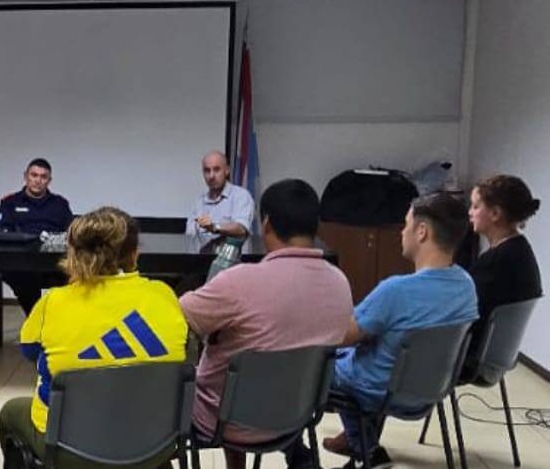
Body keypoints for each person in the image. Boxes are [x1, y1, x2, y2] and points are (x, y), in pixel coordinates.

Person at [179, 179, 353, 469]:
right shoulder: (340, 283)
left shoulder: (239, 282)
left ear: (267, 224)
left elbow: (182, 314)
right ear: (315, 225)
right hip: (296, 416)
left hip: (223, 421)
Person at [0, 207, 188, 469]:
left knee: (10, 414)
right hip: (155, 444)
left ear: (73, 254)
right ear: (134, 253)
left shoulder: (53, 303)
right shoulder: (164, 295)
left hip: (71, 450)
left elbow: (29, 351)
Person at [319, 194, 479, 467]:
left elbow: (342, 335)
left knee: (323, 365)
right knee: (366, 353)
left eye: (406, 225)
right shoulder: (466, 285)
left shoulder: (396, 291)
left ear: (422, 231)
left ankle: (365, 450)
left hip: (380, 390)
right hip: (432, 388)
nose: (402, 232)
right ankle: (363, 445)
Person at [464, 175, 541, 375]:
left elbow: (463, 310)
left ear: (495, 213)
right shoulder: (521, 251)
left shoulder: (496, 261)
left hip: (471, 359)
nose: (470, 212)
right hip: (498, 357)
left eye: (475, 206)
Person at [0, 158, 73, 314]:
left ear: (49, 181)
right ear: (26, 176)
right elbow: (3, 231)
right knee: (23, 281)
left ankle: (45, 319)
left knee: (62, 281)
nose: (38, 180)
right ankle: (37, 319)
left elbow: (71, 232)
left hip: (53, 261)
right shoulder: (10, 202)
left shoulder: (60, 204)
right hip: (21, 261)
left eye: (43, 177)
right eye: (34, 175)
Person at [187, 151, 254, 251]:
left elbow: (241, 228)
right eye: (207, 171)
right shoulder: (199, 201)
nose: (211, 176)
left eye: (216, 169)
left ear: (227, 170)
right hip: (202, 258)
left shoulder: (241, 196)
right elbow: (190, 236)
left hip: (233, 258)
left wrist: (215, 227)